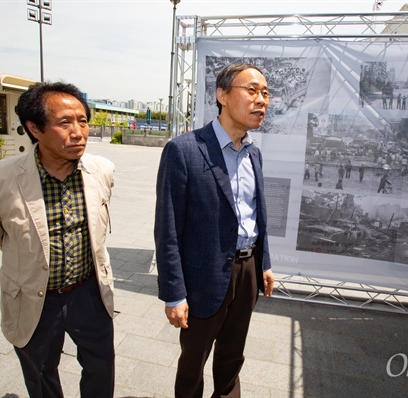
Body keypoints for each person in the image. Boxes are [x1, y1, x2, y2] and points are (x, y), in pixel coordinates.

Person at [0, 82, 116, 397]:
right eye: (65, 122)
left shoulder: (102, 171)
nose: (79, 131)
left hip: (89, 291)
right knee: (40, 373)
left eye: (83, 120)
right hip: (33, 296)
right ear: (34, 128)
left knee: (101, 367)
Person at [154, 63, 275, 398]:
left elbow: (256, 216)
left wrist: (263, 264)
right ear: (222, 95)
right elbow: (167, 230)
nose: (261, 100)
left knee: (232, 356)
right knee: (194, 362)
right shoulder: (185, 150)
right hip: (203, 277)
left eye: (265, 93)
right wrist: (174, 293)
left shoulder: (254, 153)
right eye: (251, 90)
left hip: (247, 271)